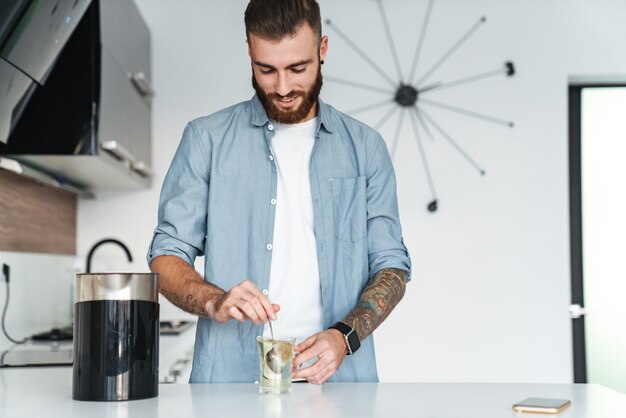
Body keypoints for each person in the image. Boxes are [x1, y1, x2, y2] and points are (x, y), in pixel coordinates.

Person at [148, 0, 411, 384]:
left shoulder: (366, 148)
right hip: (230, 386)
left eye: (297, 68)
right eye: (266, 69)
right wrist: (214, 300)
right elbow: (165, 256)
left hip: (340, 388)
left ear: (322, 50)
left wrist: (345, 337)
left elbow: (392, 266)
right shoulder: (206, 139)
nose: (283, 87)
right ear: (249, 51)